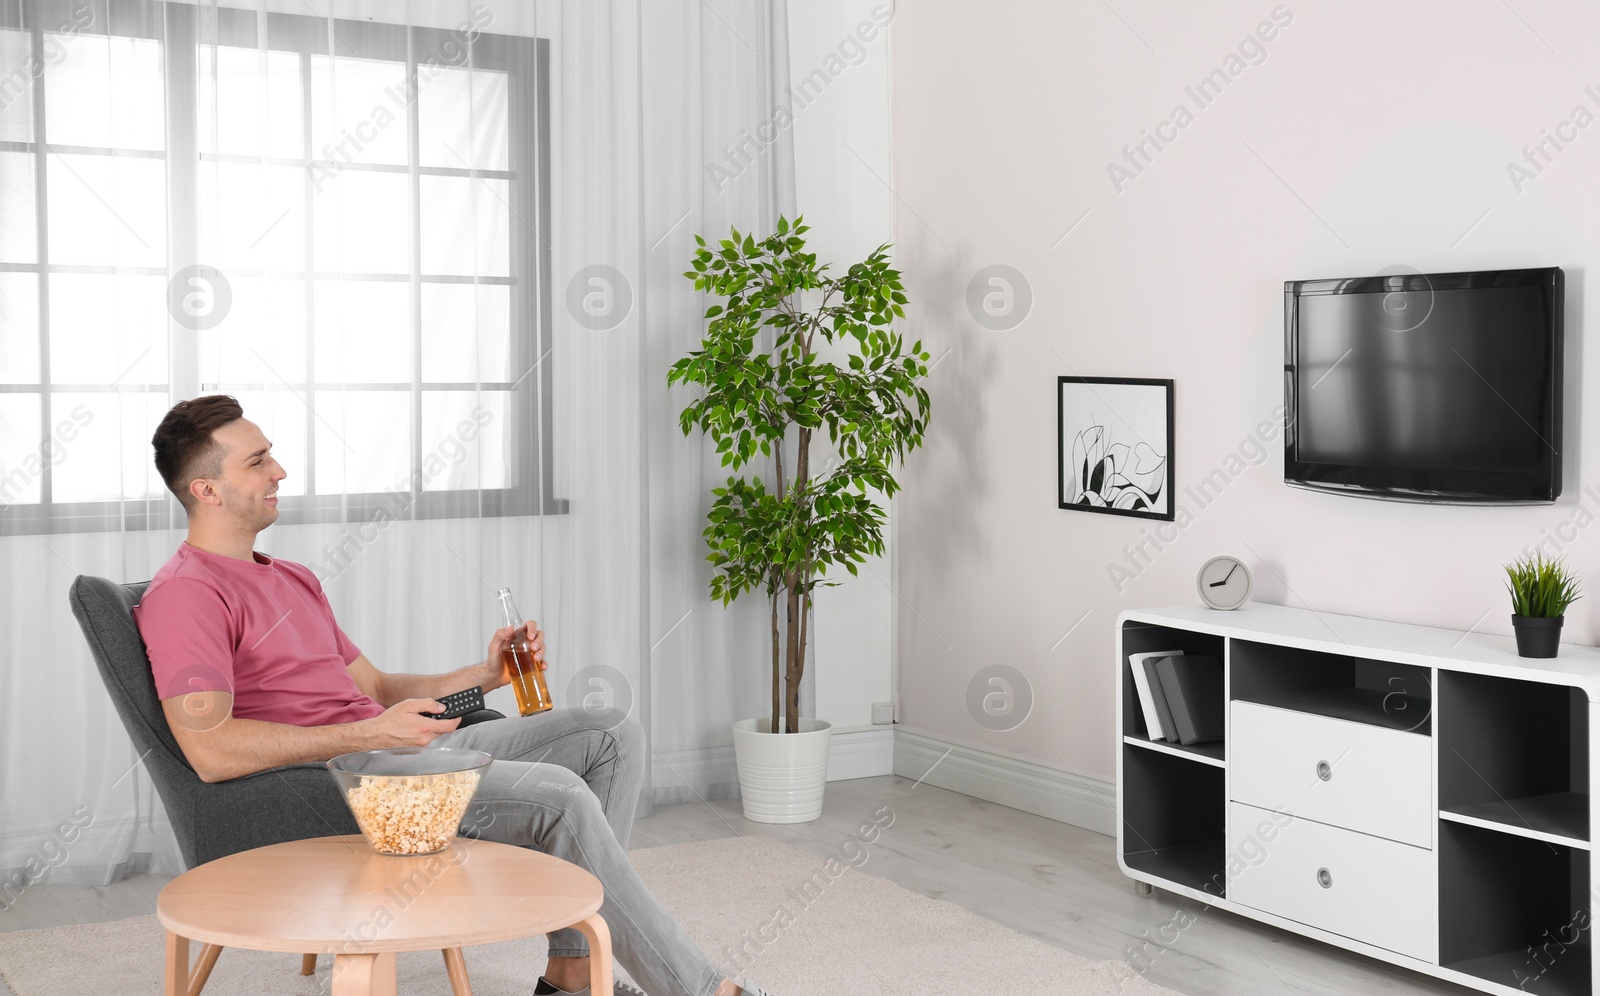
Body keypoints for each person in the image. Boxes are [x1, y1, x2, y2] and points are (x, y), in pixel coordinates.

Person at [132, 395, 770, 996]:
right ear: (206, 490)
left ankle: (571, 977)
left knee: (609, 735)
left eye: (270, 453)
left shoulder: (291, 576)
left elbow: (377, 688)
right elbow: (210, 751)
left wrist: (484, 676)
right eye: (257, 461)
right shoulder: (185, 595)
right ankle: (700, 988)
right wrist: (370, 735)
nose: (280, 469)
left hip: (391, 749)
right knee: (561, 796)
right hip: (334, 781)